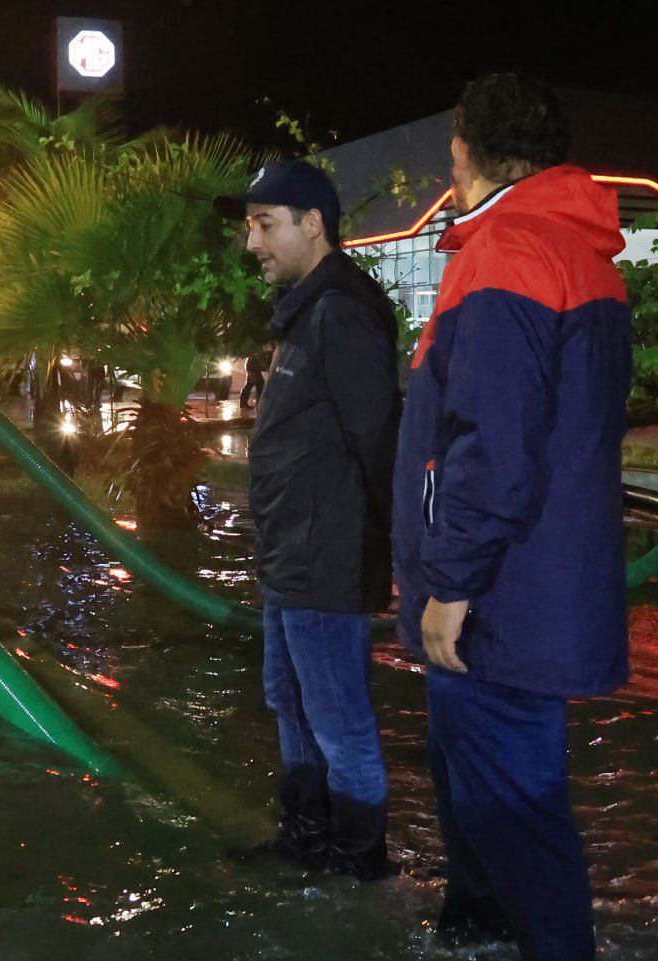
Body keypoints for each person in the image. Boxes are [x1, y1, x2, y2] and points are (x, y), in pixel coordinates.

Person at [392, 73, 631, 960]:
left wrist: (450, 583)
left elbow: (491, 440)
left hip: (500, 599)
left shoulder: (506, 252)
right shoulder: (580, 251)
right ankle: (478, 930)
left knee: (512, 805)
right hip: (541, 579)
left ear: (464, 149)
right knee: (478, 787)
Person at [215, 160, 401, 879]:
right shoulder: (306, 311)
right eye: (248, 224)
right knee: (289, 700)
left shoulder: (341, 312)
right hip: (293, 556)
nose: (250, 240)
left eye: (264, 223)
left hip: (326, 559)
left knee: (340, 722)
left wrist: (395, 554)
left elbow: (377, 437)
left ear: (312, 224)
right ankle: (305, 845)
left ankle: (357, 871)